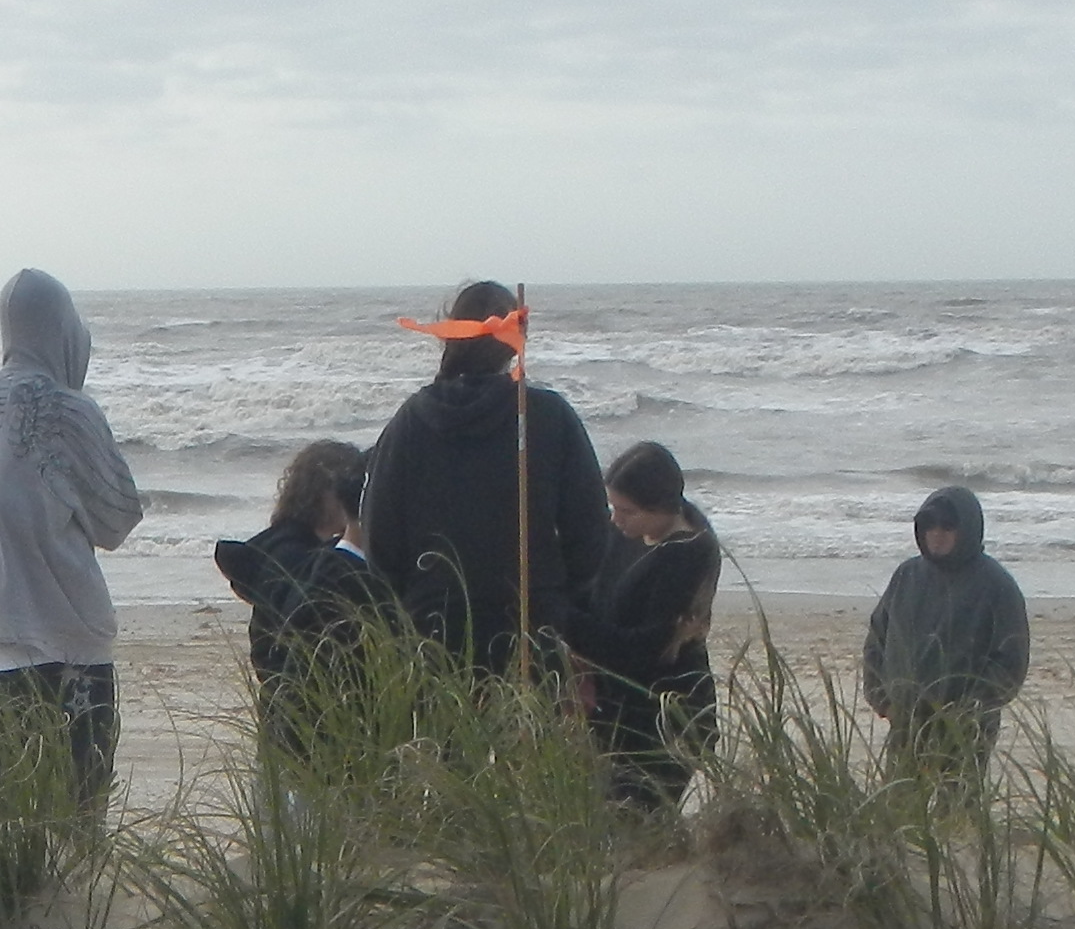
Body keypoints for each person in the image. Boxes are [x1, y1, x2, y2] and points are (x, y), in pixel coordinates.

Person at [0, 269, 143, 809]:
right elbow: (118, 520)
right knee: (77, 811)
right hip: (69, 641)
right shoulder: (71, 409)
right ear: (63, 329)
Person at [358, 279, 613, 672]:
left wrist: (407, 606)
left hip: (435, 626)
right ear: (515, 336)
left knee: (446, 734)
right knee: (529, 731)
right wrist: (565, 600)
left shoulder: (410, 422)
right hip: (531, 621)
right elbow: (591, 530)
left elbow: (380, 536)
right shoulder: (549, 415)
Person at [209, 439, 399, 755]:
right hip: (304, 726)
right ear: (325, 492)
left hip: (283, 718)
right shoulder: (297, 559)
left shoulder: (278, 549)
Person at [563, 442, 721, 806]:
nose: (615, 520)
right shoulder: (628, 534)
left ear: (662, 507)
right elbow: (595, 591)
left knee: (637, 819)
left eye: (627, 511)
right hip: (614, 710)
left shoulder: (686, 556)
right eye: (613, 508)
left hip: (661, 718)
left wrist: (564, 618)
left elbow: (636, 651)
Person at [862, 482, 1030, 763]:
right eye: (930, 525)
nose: (937, 534)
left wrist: (970, 709)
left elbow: (1011, 661)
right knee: (898, 804)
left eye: (948, 526)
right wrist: (884, 700)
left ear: (966, 529)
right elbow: (877, 639)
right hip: (905, 724)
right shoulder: (907, 576)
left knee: (957, 805)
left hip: (964, 730)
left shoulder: (996, 584)